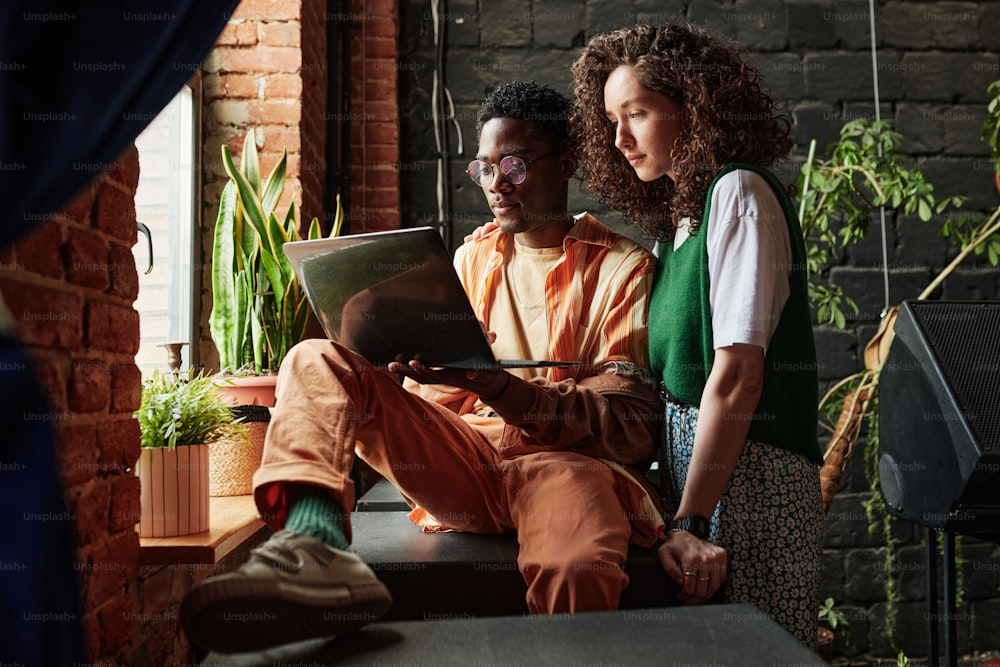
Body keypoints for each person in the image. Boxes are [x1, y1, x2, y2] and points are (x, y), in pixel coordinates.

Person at [180, 80, 664, 654]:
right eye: (484, 168)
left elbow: (631, 428)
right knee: (314, 357)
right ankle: (313, 549)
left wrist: (505, 391)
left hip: (564, 466)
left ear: (568, 160)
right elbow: (430, 403)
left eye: (513, 163)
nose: (497, 184)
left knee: (577, 569)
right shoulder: (469, 258)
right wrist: (395, 372)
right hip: (463, 459)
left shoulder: (623, 268)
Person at [570, 23, 825, 649]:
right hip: (696, 485)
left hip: (750, 484)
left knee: (758, 655)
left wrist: (692, 517)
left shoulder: (738, 194)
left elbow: (738, 377)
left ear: (695, 109)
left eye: (638, 114)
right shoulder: (678, 222)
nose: (620, 138)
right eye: (611, 120)